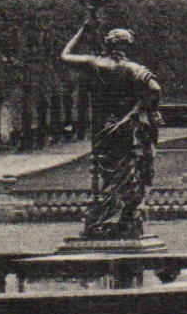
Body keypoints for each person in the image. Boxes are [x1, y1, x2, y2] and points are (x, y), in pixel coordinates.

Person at [60, 20, 163, 239]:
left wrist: (82, 29)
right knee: (128, 174)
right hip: (127, 127)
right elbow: (155, 89)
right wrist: (137, 113)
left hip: (105, 125)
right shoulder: (134, 69)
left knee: (108, 172)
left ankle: (105, 218)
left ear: (108, 44)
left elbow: (65, 56)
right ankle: (120, 219)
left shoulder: (94, 63)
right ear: (127, 46)